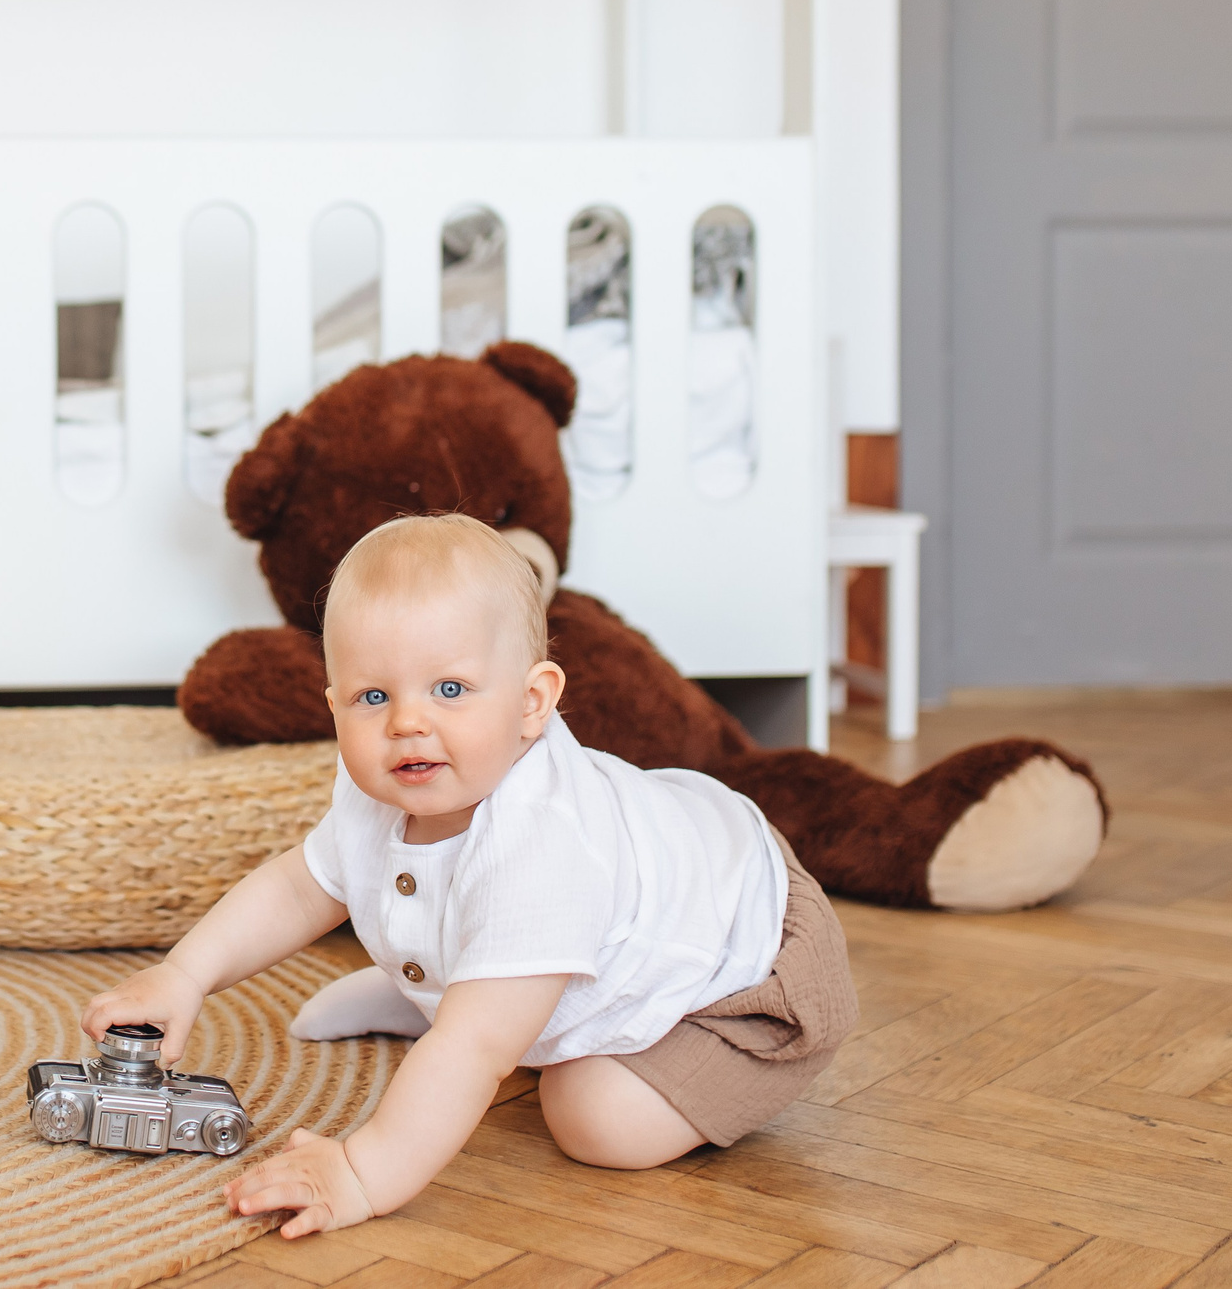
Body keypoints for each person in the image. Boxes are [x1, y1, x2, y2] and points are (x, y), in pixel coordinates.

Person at [80, 513, 854, 1237]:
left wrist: (362, 1169)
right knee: (486, 1007)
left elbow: (478, 1050)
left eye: (449, 689)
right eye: (372, 695)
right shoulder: (385, 781)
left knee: (593, 1114)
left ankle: (470, 991)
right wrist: (184, 974)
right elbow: (301, 884)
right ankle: (462, 982)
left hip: (741, 965)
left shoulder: (543, 845)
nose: (407, 721)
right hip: (660, 868)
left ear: (531, 701)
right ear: (333, 706)